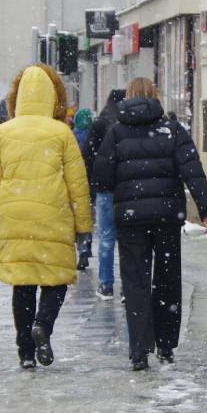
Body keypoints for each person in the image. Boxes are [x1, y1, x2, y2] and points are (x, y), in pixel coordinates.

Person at [0, 63, 93, 370]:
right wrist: (83, 226)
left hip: (14, 216)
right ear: (54, 97)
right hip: (52, 215)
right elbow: (77, 184)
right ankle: (43, 324)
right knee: (57, 280)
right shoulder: (62, 133)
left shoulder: (2, 133)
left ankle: (25, 351)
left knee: (22, 284)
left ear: (17, 97)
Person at [92, 78, 207, 370]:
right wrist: (206, 208)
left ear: (128, 97)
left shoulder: (116, 133)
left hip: (131, 219)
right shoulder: (172, 130)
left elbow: (102, 178)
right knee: (168, 278)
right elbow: (192, 171)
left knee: (135, 281)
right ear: (155, 97)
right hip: (166, 217)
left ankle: (138, 350)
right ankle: (166, 345)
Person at [81, 89, 126, 299]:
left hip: (104, 188)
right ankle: (128, 286)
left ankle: (106, 284)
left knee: (106, 237)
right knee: (129, 239)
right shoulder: (127, 123)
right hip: (126, 189)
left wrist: (92, 183)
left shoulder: (99, 123)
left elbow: (88, 156)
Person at [71, 107, 96, 271]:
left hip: (74, 182)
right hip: (91, 183)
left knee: (76, 216)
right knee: (88, 217)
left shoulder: (71, 136)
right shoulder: (95, 136)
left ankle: (80, 247)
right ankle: (86, 247)